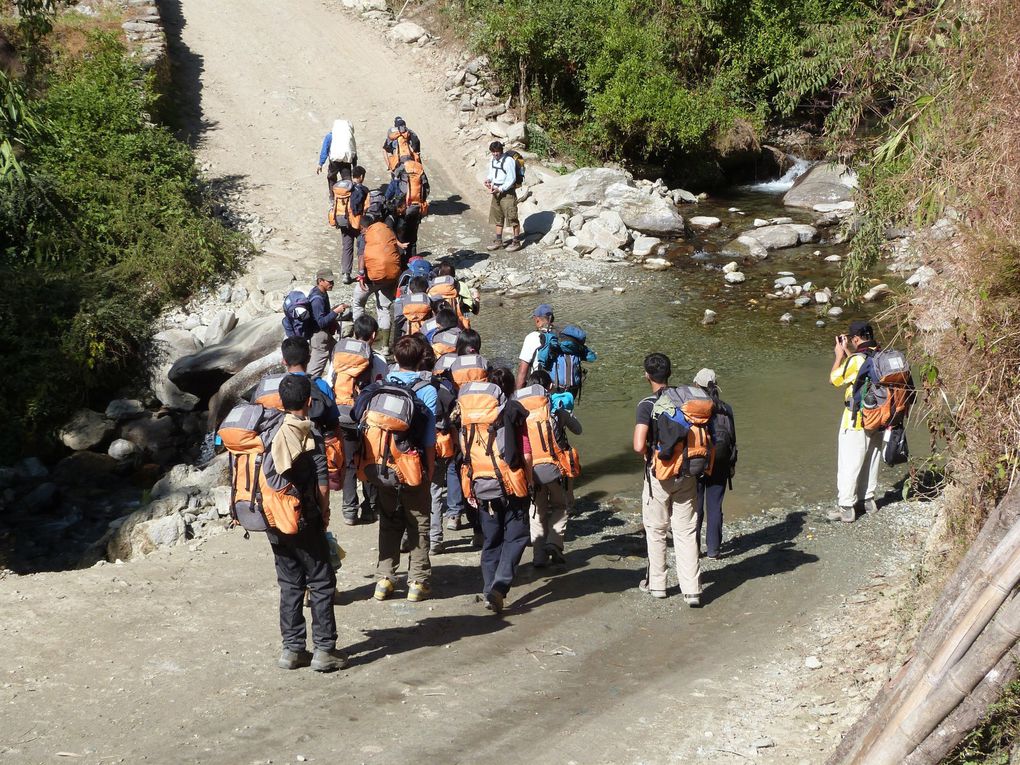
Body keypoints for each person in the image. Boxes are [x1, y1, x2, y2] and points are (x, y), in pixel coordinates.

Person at [266, 374, 347, 672]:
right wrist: (324, 514)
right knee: (322, 581)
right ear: (310, 403)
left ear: (281, 402)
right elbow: (322, 482)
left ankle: (292, 650)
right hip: (302, 517)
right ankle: (324, 650)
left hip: (273, 517)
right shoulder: (308, 432)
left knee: (289, 583)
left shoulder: (271, 429)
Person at [368, 335, 438, 603]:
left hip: (385, 466)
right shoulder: (427, 390)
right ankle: (417, 583)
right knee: (418, 522)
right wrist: (429, 470)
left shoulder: (383, 384)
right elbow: (430, 439)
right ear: (421, 358)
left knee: (388, 520)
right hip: (413, 465)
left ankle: (384, 580)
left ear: (396, 358)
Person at [632, 353, 702, 607]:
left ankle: (658, 585)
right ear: (669, 373)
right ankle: (692, 590)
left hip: (659, 474)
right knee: (685, 530)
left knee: (656, 529)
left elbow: (639, 445)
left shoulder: (647, 404)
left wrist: (652, 452)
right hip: (687, 472)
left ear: (647, 375)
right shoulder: (687, 398)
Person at [461, 366, 532, 613]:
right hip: (512, 484)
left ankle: (489, 587)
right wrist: (530, 481)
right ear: (511, 388)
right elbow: (526, 453)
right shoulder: (514, 412)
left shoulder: (469, 415)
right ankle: (499, 587)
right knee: (517, 535)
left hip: (481, 483)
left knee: (491, 539)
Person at [522, 369, 582, 568]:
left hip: (531, 472)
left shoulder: (520, 413)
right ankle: (554, 544)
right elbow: (578, 430)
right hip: (555, 470)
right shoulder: (555, 410)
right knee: (560, 506)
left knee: (537, 512)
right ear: (549, 388)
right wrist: (567, 414)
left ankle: (538, 558)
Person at [829, 320, 883, 523]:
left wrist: (839, 355)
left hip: (857, 420)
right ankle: (868, 501)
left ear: (856, 339)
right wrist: (849, 354)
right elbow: (862, 373)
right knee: (871, 460)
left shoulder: (855, 360)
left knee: (849, 463)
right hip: (880, 419)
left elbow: (834, 379)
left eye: (851, 339)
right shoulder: (880, 355)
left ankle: (846, 507)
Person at [338, 315, 389, 526]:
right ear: (374, 336)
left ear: (354, 333)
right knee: (368, 459)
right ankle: (370, 508)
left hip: (342, 415)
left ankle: (349, 511)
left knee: (349, 464)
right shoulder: (377, 359)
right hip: (367, 416)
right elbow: (383, 385)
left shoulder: (339, 357)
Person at [692, 368, 737, 559]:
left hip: (698, 460)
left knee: (695, 506)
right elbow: (733, 439)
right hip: (720, 461)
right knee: (715, 505)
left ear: (696, 385)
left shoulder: (692, 406)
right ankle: (714, 550)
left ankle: (694, 549)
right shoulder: (726, 408)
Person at [352, 214, 404, 357]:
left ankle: (358, 341)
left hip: (370, 279)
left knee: (357, 304)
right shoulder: (385, 231)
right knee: (384, 309)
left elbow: (361, 256)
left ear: (363, 227)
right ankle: (386, 347)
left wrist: (361, 274)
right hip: (389, 277)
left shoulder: (365, 236)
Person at [384, 160, 429, 264]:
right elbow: (427, 190)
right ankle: (413, 264)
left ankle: (401, 265)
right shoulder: (419, 170)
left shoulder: (401, 169)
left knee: (401, 239)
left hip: (402, 210)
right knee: (412, 240)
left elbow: (392, 187)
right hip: (416, 209)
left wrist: (388, 200)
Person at [308, 269, 349, 380]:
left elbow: (325, 314)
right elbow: (320, 322)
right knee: (315, 370)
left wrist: (334, 322)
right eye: (329, 281)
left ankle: (337, 380)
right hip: (319, 337)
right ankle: (308, 386)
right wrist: (336, 312)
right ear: (320, 281)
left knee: (337, 353)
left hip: (326, 335)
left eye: (332, 281)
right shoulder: (317, 300)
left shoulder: (323, 293)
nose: (332, 284)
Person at [484, 141, 523, 252]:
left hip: (507, 193)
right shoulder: (492, 160)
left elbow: (511, 179)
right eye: (493, 152)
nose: (495, 154)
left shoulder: (509, 161)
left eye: (497, 151)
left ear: (501, 150)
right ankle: (498, 241)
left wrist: (500, 189)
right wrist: (488, 180)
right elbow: (492, 173)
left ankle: (516, 242)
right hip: (496, 192)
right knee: (498, 217)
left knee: (512, 217)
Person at [335, 166, 370, 285]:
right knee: (362, 247)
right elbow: (366, 207)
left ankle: (346, 274)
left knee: (347, 247)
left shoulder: (344, 187)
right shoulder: (363, 190)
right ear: (361, 177)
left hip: (343, 221)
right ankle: (362, 272)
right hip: (357, 222)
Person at [515, 303, 555, 389]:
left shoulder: (532, 337)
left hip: (540, 387)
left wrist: (516, 395)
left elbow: (523, 372)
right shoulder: (559, 335)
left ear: (537, 320)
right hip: (560, 387)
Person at [316, 123, 358, 200]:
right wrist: (355, 165)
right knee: (347, 179)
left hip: (334, 161)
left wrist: (320, 163)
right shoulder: (348, 136)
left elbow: (325, 150)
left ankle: (332, 197)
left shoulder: (330, 136)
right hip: (346, 161)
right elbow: (353, 149)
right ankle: (348, 197)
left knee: (331, 178)